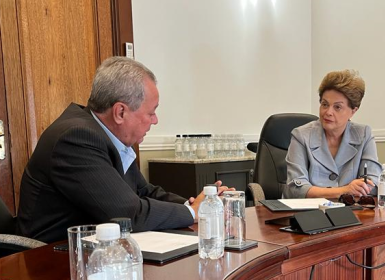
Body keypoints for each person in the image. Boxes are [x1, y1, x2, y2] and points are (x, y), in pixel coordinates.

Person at [16, 56, 232, 243]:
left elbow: (144, 191)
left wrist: (199, 203)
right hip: (54, 261)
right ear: (120, 112)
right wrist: (193, 212)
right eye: (151, 112)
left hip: (97, 252)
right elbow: (128, 214)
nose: (155, 121)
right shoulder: (76, 139)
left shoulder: (104, 135)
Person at [284, 69, 382, 199]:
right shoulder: (301, 136)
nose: (328, 112)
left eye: (337, 107)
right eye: (325, 104)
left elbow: (373, 183)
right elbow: (297, 189)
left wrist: (362, 187)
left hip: (351, 213)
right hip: (307, 214)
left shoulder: (363, 134)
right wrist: (345, 190)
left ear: (353, 111)